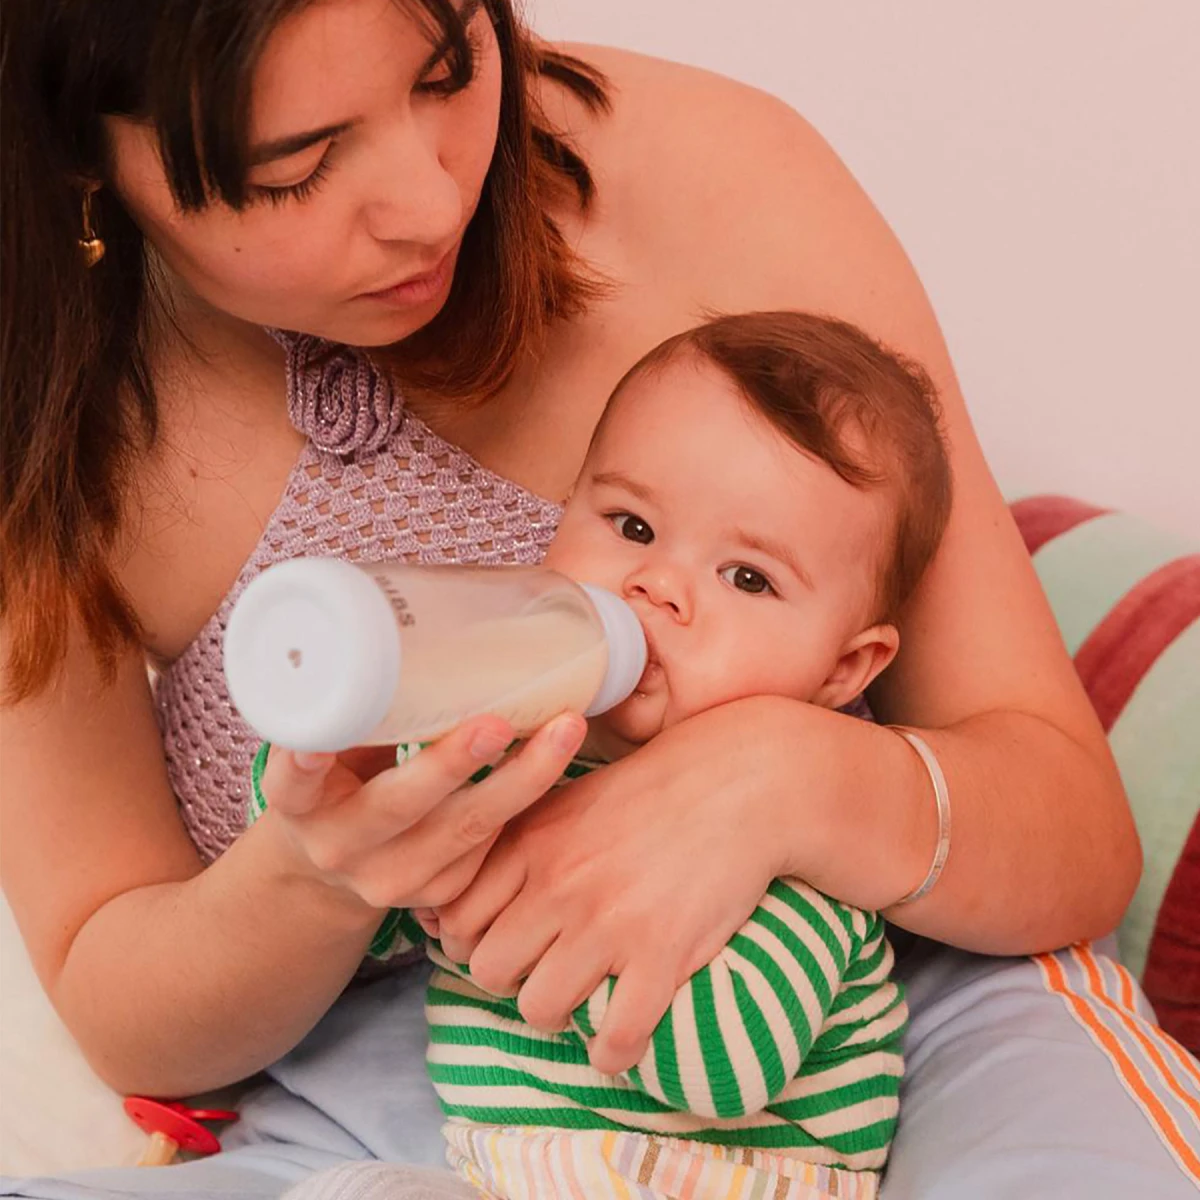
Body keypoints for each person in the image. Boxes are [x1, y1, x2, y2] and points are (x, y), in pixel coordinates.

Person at [1, 2, 1191, 1198]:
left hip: (875, 1027)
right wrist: (319, 878)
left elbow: (1074, 833)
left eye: (448, 72)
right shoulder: (46, 417)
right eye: (297, 168)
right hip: (395, 1097)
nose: (430, 204)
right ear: (79, 151)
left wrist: (789, 778)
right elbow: (123, 1002)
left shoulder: (710, 175)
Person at [248, 310, 947, 1199]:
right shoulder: (498, 757)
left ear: (843, 669)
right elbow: (377, 909)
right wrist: (338, 794)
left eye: (747, 577)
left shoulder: (798, 846)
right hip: (505, 1176)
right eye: (632, 526)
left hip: (722, 1181)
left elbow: (722, 1070)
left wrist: (501, 875)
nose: (655, 585)